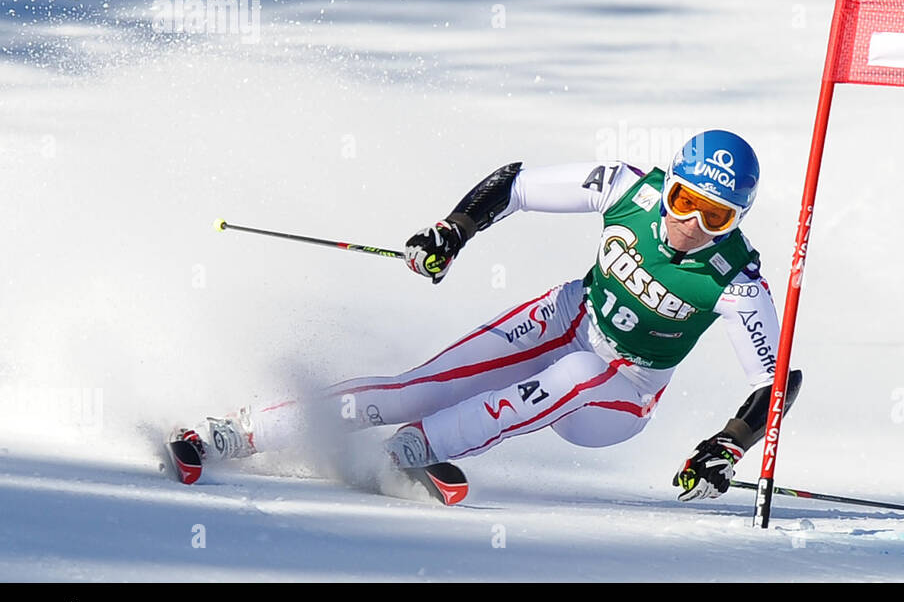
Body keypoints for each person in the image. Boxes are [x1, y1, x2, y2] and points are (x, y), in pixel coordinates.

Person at [169, 130, 800, 505]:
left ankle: (418, 449)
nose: (690, 226)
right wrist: (453, 231)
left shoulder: (736, 279)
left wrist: (726, 447)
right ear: (669, 185)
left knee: (580, 370)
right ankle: (234, 433)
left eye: (714, 216)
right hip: (570, 316)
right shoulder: (627, 188)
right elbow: (516, 183)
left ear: (736, 221)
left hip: (621, 396)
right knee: (415, 389)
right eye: (685, 201)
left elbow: (778, 377)